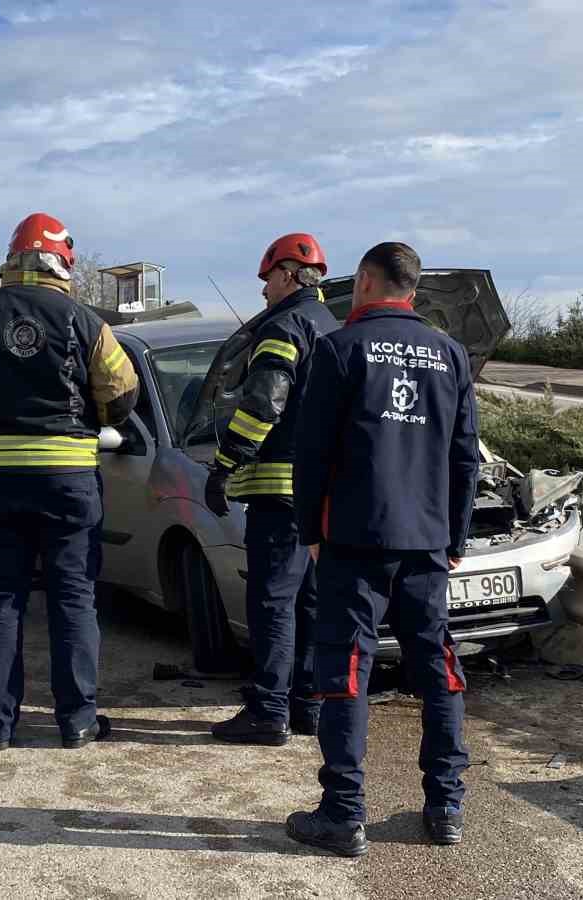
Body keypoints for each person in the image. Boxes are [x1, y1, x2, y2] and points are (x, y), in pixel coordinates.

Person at [288, 242, 477, 854]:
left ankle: (344, 814)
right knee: (438, 668)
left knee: (345, 670)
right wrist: (456, 536)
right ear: (413, 292)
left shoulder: (339, 349)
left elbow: (310, 453)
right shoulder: (450, 354)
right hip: (427, 540)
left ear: (366, 281)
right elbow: (464, 455)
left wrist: (309, 533)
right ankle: (445, 806)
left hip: (353, 538)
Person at [0, 212, 139, 751]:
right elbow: (121, 393)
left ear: (13, 258)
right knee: (73, 597)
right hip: (68, 475)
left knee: (1, 599)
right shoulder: (83, 318)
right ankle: (77, 720)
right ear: (62, 262)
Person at [203, 233, 339, 746]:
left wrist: (223, 464)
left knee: (273, 603)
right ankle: (308, 705)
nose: (263, 291)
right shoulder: (332, 327)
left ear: (286, 274)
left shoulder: (284, 325)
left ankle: (267, 711)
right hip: (324, 494)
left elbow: (264, 404)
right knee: (310, 601)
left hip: (279, 491)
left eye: (266, 279)